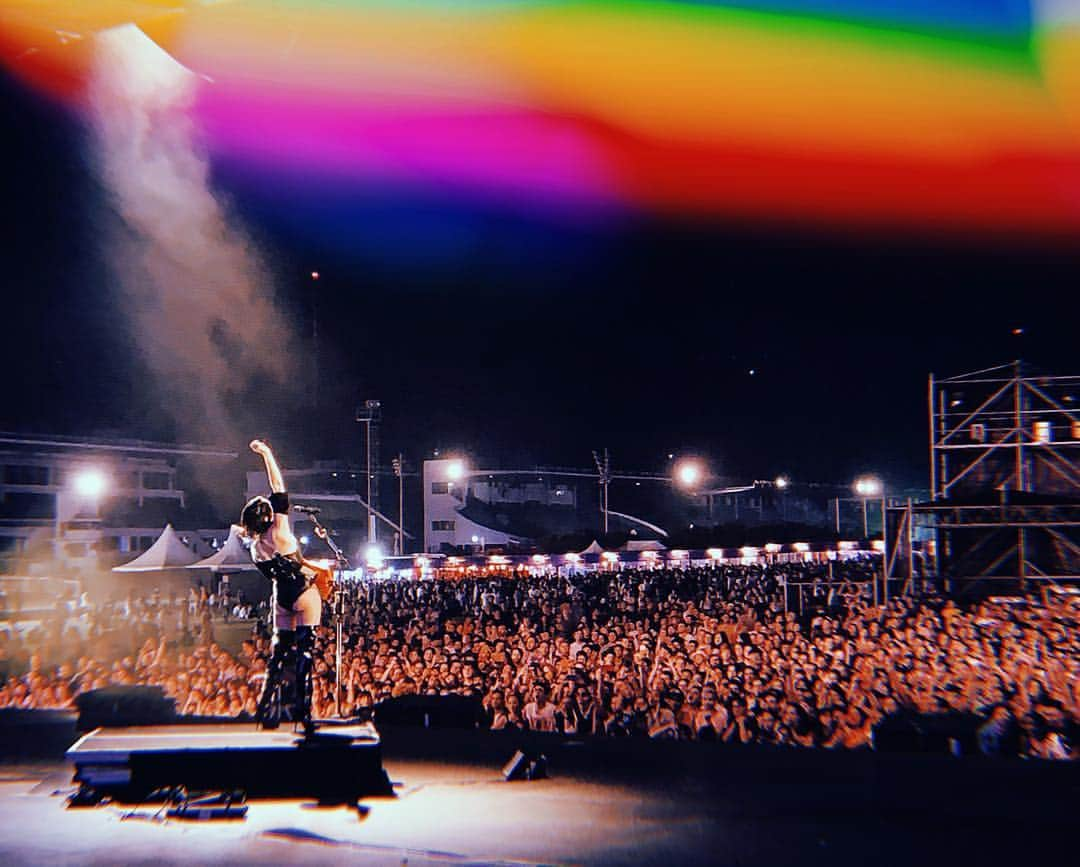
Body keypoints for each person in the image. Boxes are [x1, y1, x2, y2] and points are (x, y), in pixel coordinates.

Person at [240, 439, 322, 735]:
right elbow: (278, 485)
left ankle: (266, 709)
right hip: (304, 593)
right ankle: (304, 713)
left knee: (278, 655)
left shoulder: (254, 548)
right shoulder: (281, 531)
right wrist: (267, 454)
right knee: (305, 653)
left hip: (280, 598)